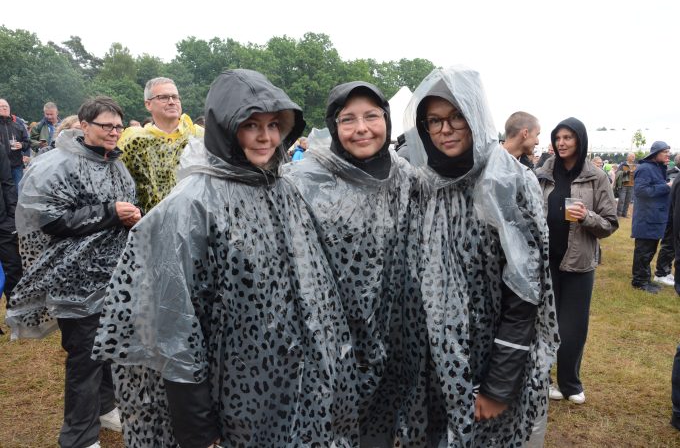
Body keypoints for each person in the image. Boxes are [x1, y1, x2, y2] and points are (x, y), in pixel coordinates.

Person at [93, 69, 358, 447]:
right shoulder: (190, 206)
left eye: (273, 124)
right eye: (251, 125)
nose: (266, 137)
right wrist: (197, 426)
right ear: (225, 128)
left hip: (290, 384)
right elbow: (173, 331)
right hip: (228, 392)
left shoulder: (283, 191)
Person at [403, 66, 558, 446]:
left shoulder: (506, 180)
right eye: (434, 120)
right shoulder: (423, 184)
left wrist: (500, 383)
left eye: (457, 116)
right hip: (432, 362)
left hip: (489, 359)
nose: (445, 129)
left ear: (475, 115)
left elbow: (525, 289)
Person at [6, 96, 141, 448]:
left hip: (115, 275)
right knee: (86, 356)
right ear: (84, 124)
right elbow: (48, 219)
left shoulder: (114, 162)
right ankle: (79, 437)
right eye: (106, 126)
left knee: (112, 346)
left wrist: (129, 215)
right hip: (75, 279)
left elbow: (121, 206)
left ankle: (106, 407)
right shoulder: (58, 164)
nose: (114, 132)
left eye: (118, 126)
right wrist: (111, 212)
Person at [285, 81, 414, 445]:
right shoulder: (304, 180)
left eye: (371, 116)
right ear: (333, 125)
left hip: (392, 337)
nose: (361, 128)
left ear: (387, 121)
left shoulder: (405, 177)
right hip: (327, 345)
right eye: (348, 119)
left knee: (378, 431)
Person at [535, 117, 618, 405]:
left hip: (579, 264)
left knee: (573, 328)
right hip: (545, 263)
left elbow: (609, 223)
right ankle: (541, 379)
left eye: (568, 138)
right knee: (543, 323)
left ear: (580, 141)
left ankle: (570, 382)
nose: (561, 143)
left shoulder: (596, 177)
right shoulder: (542, 174)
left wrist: (587, 217)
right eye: (557, 138)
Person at [117, 77, 204, 212]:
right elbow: (119, 183)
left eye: (175, 97)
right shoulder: (134, 140)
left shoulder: (199, 136)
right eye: (163, 97)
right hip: (148, 224)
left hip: (194, 221)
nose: (171, 102)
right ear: (148, 104)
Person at [630, 141, 673, 293]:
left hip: (655, 216)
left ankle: (645, 278)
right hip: (646, 217)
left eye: (669, 151)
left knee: (650, 250)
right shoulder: (645, 168)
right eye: (665, 152)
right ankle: (639, 281)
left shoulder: (658, 168)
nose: (668, 154)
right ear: (656, 153)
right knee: (644, 251)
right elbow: (641, 191)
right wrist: (666, 187)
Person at [0, 134, 21, 318]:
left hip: (3, 220)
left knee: (13, 266)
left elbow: (7, 182)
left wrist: (12, 216)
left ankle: (14, 313)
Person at [0, 98, 31, 186]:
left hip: (16, 165)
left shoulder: (18, 126)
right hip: (1, 166)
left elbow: (28, 142)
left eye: (6, 106)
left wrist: (21, 145)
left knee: (18, 191)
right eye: (1, 107)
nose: (5, 108)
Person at [616, 152, 637, 217]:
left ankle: (624, 214)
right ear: (628, 157)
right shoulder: (623, 164)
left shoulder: (635, 165)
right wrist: (627, 172)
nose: (634, 157)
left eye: (634, 156)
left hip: (632, 185)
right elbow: (617, 173)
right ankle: (619, 214)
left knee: (628, 200)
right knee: (621, 200)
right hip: (623, 185)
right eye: (632, 156)